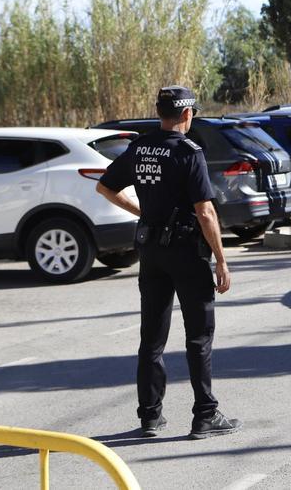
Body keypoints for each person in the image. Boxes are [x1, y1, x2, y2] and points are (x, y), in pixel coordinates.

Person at [96, 86, 241, 440]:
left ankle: (150, 416)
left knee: (152, 336)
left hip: (152, 253)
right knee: (199, 336)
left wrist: (144, 212)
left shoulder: (140, 147)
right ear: (188, 115)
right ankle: (205, 415)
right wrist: (221, 260)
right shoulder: (189, 152)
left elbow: (105, 188)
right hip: (188, 253)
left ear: (160, 113)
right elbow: (205, 212)